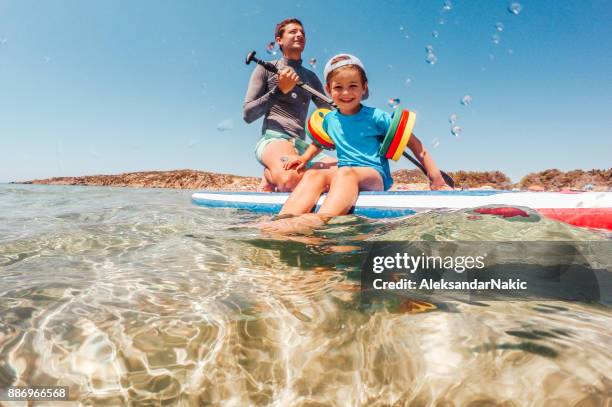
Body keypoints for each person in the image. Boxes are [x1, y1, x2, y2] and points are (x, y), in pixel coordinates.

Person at [261, 54, 451, 233]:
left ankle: (317, 221)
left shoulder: (376, 117)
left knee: (346, 172)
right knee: (314, 174)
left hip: (374, 174)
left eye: (353, 86)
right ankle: (284, 220)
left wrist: (435, 178)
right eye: (338, 87)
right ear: (328, 90)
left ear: (364, 87)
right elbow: (319, 142)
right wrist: (303, 158)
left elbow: (415, 144)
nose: (346, 93)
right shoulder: (329, 120)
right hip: (345, 173)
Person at [243, 18, 337, 192]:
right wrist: (279, 90)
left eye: (302, 32)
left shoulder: (311, 78)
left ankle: (292, 176)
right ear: (279, 40)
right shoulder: (265, 68)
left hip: (303, 147)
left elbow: (331, 114)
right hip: (274, 140)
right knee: (291, 179)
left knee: (345, 174)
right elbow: (247, 115)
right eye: (293, 31)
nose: (299, 34)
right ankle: (271, 174)